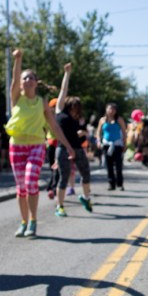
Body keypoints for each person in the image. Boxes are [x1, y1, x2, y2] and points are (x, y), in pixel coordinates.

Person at [5, 49, 74, 237]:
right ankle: (23, 222)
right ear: (21, 83)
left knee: (30, 182)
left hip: (36, 145)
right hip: (16, 146)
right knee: (21, 188)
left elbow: (54, 126)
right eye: (25, 78)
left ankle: (33, 221)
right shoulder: (16, 98)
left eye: (31, 78)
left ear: (36, 83)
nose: (27, 80)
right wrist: (18, 59)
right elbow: (14, 79)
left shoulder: (42, 102)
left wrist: (68, 146)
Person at [52, 63, 93, 217]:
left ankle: (86, 198)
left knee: (86, 173)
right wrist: (67, 74)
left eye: (78, 107)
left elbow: (74, 132)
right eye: (74, 107)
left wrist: (81, 133)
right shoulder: (60, 111)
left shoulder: (77, 118)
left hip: (77, 147)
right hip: (63, 148)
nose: (76, 110)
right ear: (69, 105)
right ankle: (60, 206)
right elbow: (63, 90)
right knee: (64, 177)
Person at [97, 102, 127, 191]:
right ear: (106, 110)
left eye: (113, 109)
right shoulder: (102, 120)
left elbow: (124, 132)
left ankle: (120, 183)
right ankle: (111, 183)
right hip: (106, 144)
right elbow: (98, 132)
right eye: (109, 108)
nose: (111, 111)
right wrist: (98, 141)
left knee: (118, 165)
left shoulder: (119, 119)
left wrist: (124, 144)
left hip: (117, 144)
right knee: (109, 165)